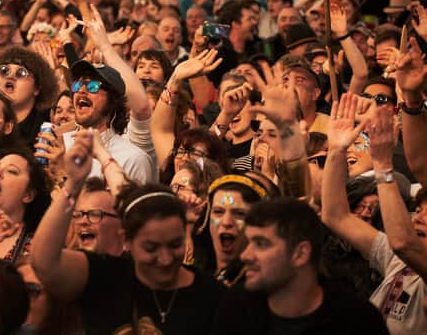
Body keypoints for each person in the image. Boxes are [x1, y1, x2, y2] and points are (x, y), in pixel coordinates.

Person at [31, 131, 227, 333]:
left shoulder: (213, 296)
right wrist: (73, 184)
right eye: (151, 247)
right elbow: (43, 262)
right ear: (126, 239)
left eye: (175, 244)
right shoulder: (107, 276)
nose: (166, 258)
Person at [321, 94, 427, 335]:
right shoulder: (397, 261)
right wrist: (337, 150)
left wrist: (382, 165)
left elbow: (402, 242)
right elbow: (335, 215)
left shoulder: (405, 254)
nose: (418, 218)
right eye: (419, 210)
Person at [216, 197, 390, 335]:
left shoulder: (357, 322)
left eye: (261, 244)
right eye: (248, 243)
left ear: (300, 254)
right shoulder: (236, 308)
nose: (246, 256)